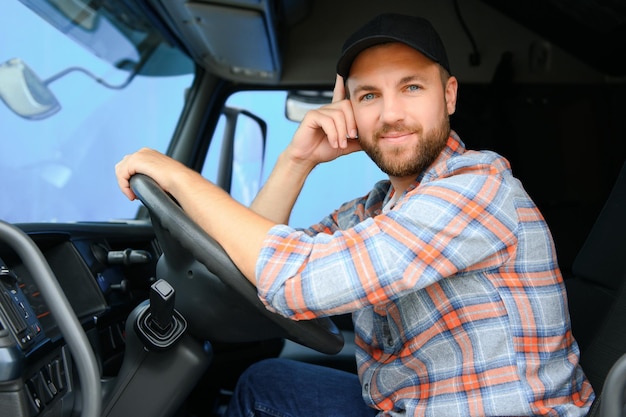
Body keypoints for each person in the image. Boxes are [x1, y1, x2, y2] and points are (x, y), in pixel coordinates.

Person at [116, 13, 595, 417]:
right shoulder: (377, 207)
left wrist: (173, 174)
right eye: (369, 96)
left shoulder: (478, 186)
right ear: (349, 110)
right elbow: (244, 263)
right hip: (406, 403)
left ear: (448, 96)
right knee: (265, 385)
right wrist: (296, 161)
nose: (390, 115)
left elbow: (299, 278)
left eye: (411, 87)